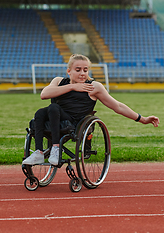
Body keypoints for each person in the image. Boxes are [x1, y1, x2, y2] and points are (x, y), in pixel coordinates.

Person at [22, 54, 160, 166]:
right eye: (78, 70)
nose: (82, 73)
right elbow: (44, 94)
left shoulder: (94, 87)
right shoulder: (59, 81)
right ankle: (39, 153)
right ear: (69, 71)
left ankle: (56, 149)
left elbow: (117, 106)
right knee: (40, 112)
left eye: (85, 70)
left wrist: (143, 119)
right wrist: (72, 87)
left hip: (73, 122)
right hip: (54, 118)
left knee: (53, 107)